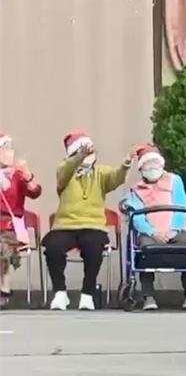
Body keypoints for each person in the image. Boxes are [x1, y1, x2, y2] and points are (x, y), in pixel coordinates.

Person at [44, 132, 137, 311]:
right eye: (83, 150)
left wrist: (125, 164)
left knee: (94, 246)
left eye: (90, 150)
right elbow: (65, 172)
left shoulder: (101, 171)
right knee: (53, 246)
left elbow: (115, 179)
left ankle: (87, 294)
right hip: (65, 225)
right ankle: (60, 293)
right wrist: (79, 157)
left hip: (93, 225)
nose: (89, 154)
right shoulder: (65, 169)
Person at [124, 145, 186, 311]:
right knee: (144, 250)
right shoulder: (136, 190)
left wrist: (174, 229)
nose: (151, 168)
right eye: (147, 165)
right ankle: (148, 296)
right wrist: (154, 232)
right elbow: (136, 217)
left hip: (175, 229)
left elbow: (181, 206)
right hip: (151, 232)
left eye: (154, 164)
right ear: (141, 169)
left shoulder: (174, 180)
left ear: (161, 164)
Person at [0, 133, 42, 308]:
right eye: (4, 148)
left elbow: (35, 192)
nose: (9, 152)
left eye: (9, 148)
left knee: (2, 246)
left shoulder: (17, 175)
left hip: (10, 226)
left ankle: (4, 288)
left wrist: (27, 174)